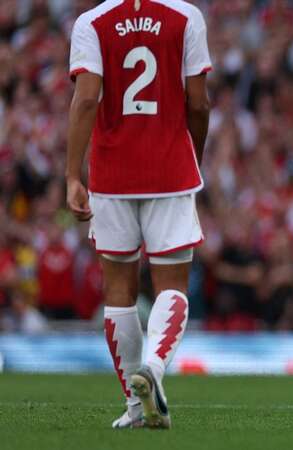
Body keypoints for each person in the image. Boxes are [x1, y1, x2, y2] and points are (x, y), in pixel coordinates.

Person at [66, 0, 211, 429]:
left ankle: (134, 403)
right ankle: (154, 368)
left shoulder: (92, 22)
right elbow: (199, 104)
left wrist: (73, 174)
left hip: (111, 175)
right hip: (169, 167)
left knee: (118, 292)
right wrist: (193, 158)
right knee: (171, 282)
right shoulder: (185, 17)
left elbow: (86, 98)